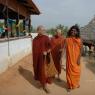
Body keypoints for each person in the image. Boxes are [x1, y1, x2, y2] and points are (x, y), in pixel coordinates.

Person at [32, 25, 52, 93]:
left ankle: (45, 85)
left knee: (43, 72)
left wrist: (46, 51)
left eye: (43, 30)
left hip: (44, 59)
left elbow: (50, 46)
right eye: (41, 30)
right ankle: (41, 83)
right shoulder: (35, 39)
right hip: (37, 59)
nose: (43, 31)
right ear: (38, 30)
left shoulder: (46, 38)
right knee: (38, 71)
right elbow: (34, 50)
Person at [64, 25, 82, 90]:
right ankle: (69, 86)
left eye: (74, 31)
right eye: (72, 30)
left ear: (77, 32)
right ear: (70, 31)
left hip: (76, 59)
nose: (73, 32)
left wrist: (79, 59)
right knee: (69, 73)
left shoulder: (79, 40)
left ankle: (75, 84)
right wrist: (60, 59)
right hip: (69, 59)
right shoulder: (67, 39)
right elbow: (64, 49)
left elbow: (81, 50)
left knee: (77, 72)